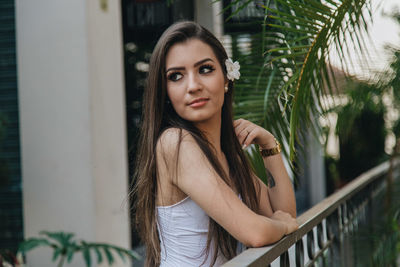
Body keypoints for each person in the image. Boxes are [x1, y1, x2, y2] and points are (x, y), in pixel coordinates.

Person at [133, 21, 298, 267]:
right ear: (165, 91)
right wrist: (282, 225)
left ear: (226, 78)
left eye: (205, 69)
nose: (193, 86)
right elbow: (259, 231)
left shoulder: (224, 155)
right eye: (176, 76)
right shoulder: (175, 144)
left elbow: (284, 212)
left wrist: (268, 145)